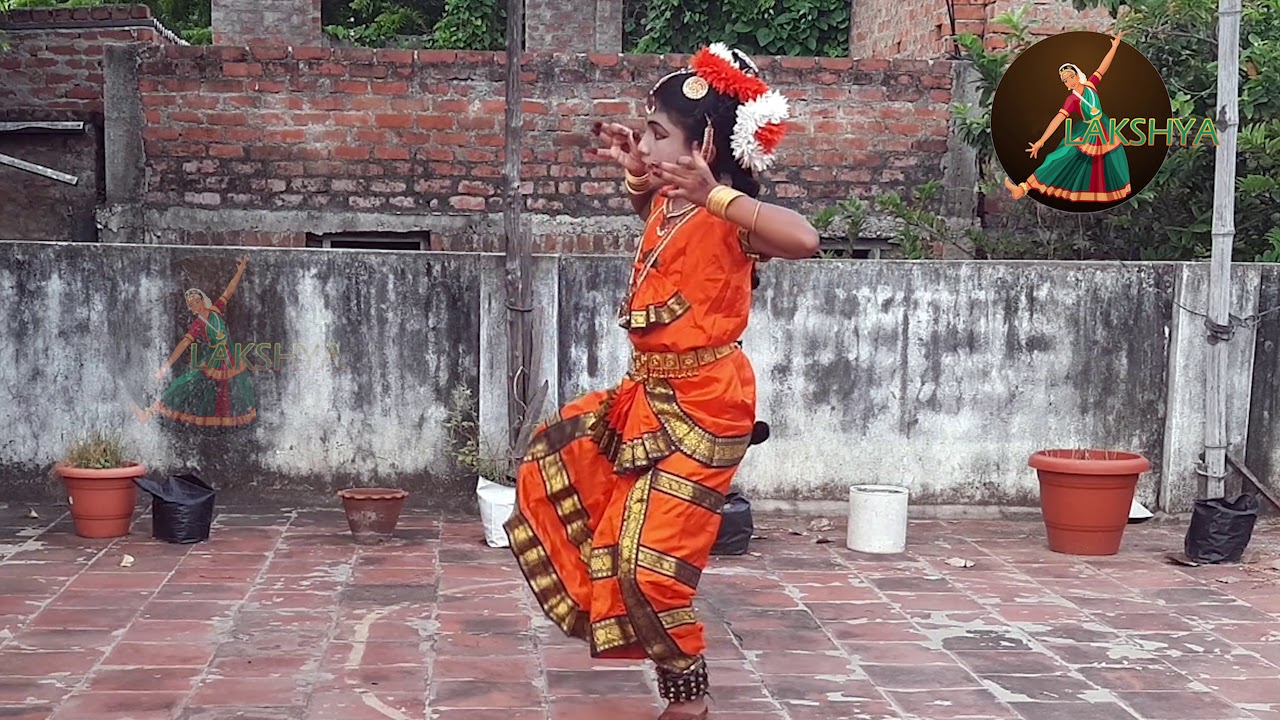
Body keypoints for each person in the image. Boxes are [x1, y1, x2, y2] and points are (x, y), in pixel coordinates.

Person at [503, 43, 818, 720]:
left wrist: (717, 193)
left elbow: (805, 240)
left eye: (656, 133)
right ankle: (674, 680)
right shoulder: (668, 202)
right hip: (646, 398)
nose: (642, 143)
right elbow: (660, 222)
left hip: (708, 408)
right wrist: (638, 169)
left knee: (649, 566)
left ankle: (687, 697)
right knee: (555, 469)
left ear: (703, 141)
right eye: (645, 131)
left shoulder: (727, 214)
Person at [1004, 31, 1132, 203]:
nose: (1070, 81)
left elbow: (1103, 67)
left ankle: (1117, 195)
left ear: (1078, 75)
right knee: (1060, 156)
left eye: (1071, 76)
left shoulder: (1090, 85)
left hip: (1103, 127)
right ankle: (1023, 188)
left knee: (1110, 164)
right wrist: (1041, 141)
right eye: (1066, 80)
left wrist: (1114, 47)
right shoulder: (1072, 99)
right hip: (1088, 130)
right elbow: (1058, 119)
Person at [132, 254, 257, 428]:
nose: (196, 305)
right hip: (212, 359)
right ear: (191, 308)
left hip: (228, 357)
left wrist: (241, 270)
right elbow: (183, 344)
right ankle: (149, 412)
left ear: (203, 300)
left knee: (232, 392)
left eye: (197, 300)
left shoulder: (215, 310)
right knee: (183, 383)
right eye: (192, 303)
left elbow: (229, 291)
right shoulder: (198, 324)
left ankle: (234, 427)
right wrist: (165, 367)